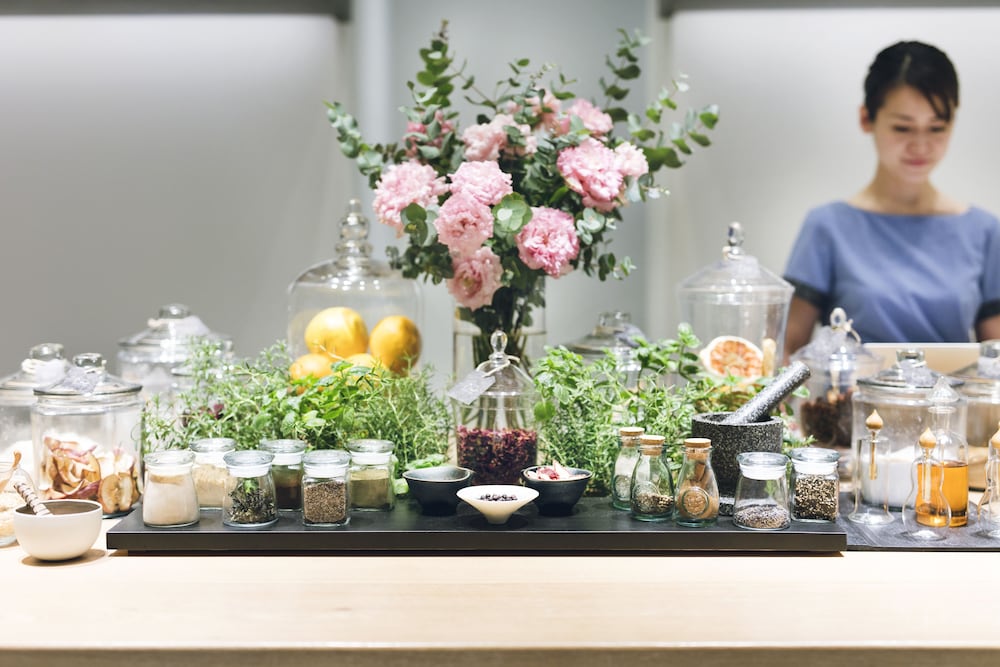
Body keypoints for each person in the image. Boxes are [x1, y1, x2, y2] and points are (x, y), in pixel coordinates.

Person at [783, 40, 1000, 358]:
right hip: (853, 391)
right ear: (866, 118)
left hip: (954, 391)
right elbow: (786, 350)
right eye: (902, 128)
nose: (921, 146)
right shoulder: (827, 226)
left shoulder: (984, 231)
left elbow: (995, 355)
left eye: (937, 128)